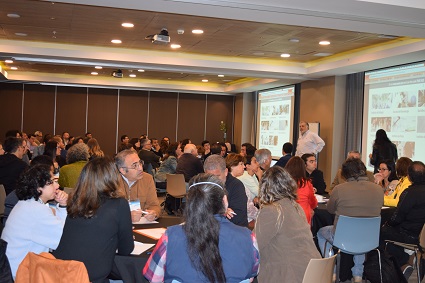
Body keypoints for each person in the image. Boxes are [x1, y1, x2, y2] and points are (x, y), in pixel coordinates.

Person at [143, 173, 259, 283]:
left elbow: (154, 277)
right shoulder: (248, 237)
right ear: (225, 201)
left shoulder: (170, 236)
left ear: (190, 202)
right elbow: (251, 275)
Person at [53, 157, 134, 283]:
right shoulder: (119, 204)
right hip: (90, 275)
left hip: (60, 271)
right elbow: (126, 249)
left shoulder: (75, 200)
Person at [317, 158, 383, 283]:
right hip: (369, 238)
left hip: (341, 237)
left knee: (321, 233)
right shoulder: (378, 189)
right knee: (360, 235)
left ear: (345, 173)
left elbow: (330, 209)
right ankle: (358, 274)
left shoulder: (340, 189)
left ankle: (332, 271)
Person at [255, 166, 321, 282]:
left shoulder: (271, 211)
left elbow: (255, 244)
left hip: (289, 275)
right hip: (313, 271)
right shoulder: (296, 206)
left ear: (264, 187)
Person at [1, 164, 68, 278]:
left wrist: (61, 207)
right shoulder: (36, 210)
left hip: (11, 268)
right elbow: (63, 237)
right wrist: (63, 206)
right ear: (38, 188)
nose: (57, 185)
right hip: (21, 274)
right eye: (51, 182)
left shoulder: (26, 204)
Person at [380, 161, 425, 279]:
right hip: (421, 236)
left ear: (409, 176)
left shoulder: (410, 193)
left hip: (408, 234)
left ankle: (397, 265)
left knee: (380, 232)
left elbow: (397, 217)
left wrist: (387, 223)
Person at [115, 149, 161, 221]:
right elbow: (105, 212)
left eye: (140, 163)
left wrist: (154, 213)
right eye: (135, 165)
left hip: (140, 225)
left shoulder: (147, 179)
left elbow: (154, 205)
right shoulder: (112, 182)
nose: (140, 168)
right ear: (123, 170)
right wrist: (127, 216)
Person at [204, 155, 248, 227]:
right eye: (209, 177)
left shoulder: (236, 186)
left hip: (233, 230)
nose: (213, 180)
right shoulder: (201, 184)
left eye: (217, 176)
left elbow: (239, 218)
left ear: (226, 172)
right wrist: (222, 212)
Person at [285, 156, 317, 225]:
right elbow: (313, 203)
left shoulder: (284, 182)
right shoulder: (306, 183)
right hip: (303, 217)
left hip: (287, 216)